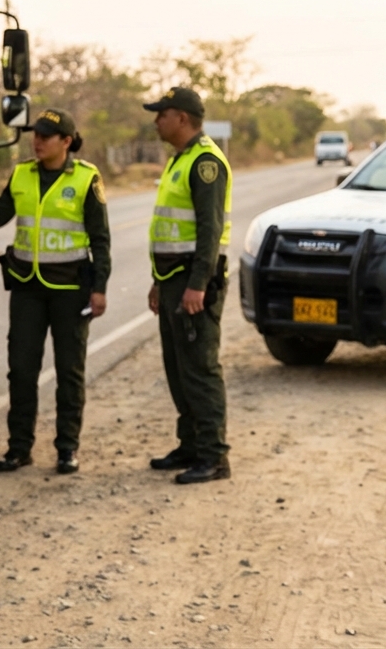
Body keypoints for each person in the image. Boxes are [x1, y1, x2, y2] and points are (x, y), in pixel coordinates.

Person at [0, 108, 110, 475]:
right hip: (29, 291)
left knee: (70, 372)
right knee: (21, 370)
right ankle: (19, 448)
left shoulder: (85, 178)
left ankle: (67, 449)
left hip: (70, 290)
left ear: (66, 142)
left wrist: (100, 289)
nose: (37, 141)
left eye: (46, 136)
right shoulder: (21, 175)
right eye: (36, 134)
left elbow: (101, 239)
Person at [142, 86, 233, 484]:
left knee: (199, 369)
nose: (156, 120)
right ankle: (191, 445)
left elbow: (209, 232)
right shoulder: (180, 160)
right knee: (179, 368)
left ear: (181, 117)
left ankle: (213, 457)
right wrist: (158, 282)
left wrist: (197, 285)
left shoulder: (205, 162)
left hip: (195, 282)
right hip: (172, 280)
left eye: (162, 113)